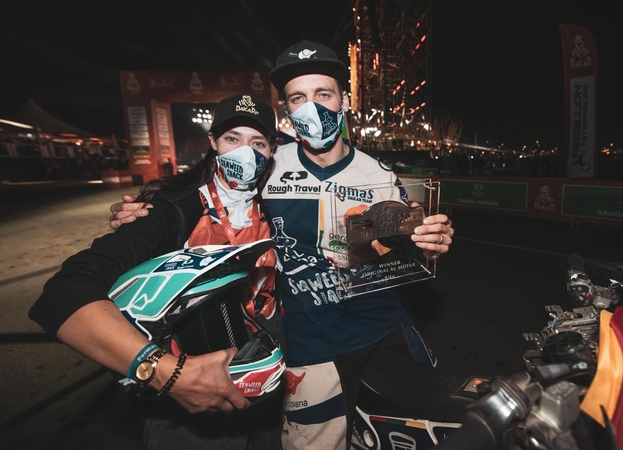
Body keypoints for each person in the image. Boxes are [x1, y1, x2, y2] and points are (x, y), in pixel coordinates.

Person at [109, 40, 455, 450]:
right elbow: (210, 192)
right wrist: (144, 210)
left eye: (323, 94)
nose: (311, 108)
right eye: (298, 98)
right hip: (310, 344)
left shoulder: (378, 174)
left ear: (344, 100)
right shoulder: (268, 166)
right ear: (288, 110)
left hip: (385, 330)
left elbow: (399, 249)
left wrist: (427, 241)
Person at [29, 94, 284, 450]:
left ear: (272, 149)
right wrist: (165, 373)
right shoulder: (172, 209)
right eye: (232, 138)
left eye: (257, 142)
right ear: (212, 142)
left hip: (263, 376)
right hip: (193, 394)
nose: (245, 152)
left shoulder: (275, 203)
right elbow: (64, 292)